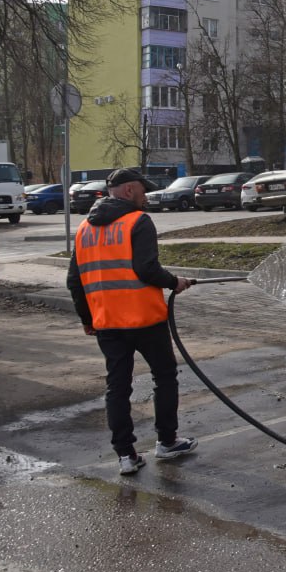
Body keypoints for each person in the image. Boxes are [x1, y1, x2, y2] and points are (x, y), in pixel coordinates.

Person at [67, 168, 197, 475]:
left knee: (117, 387)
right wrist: (174, 281)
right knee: (164, 377)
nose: (145, 195)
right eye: (142, 189)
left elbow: (74, 280)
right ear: (128, 191)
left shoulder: (84, 228)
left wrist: (88, 319)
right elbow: (146, 269)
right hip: (144, 318)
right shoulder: (138, 221)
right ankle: (167, 442)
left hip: (107, 323)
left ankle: (126, 456)